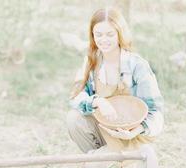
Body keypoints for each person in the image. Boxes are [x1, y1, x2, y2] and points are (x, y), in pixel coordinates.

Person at [66, 7, 164, 155]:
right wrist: (97, 101)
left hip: (131, 136)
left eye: (110, 34)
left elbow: (156, 112)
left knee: (96, 166)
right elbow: (75, 96)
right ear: (92, 35)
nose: (103, 40)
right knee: (74, 118)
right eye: (98, 34)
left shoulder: (137, 65)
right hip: (104, 129)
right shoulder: (91, 62)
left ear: (119, 34)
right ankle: (102, 158)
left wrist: (135, 131)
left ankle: (109, 160)